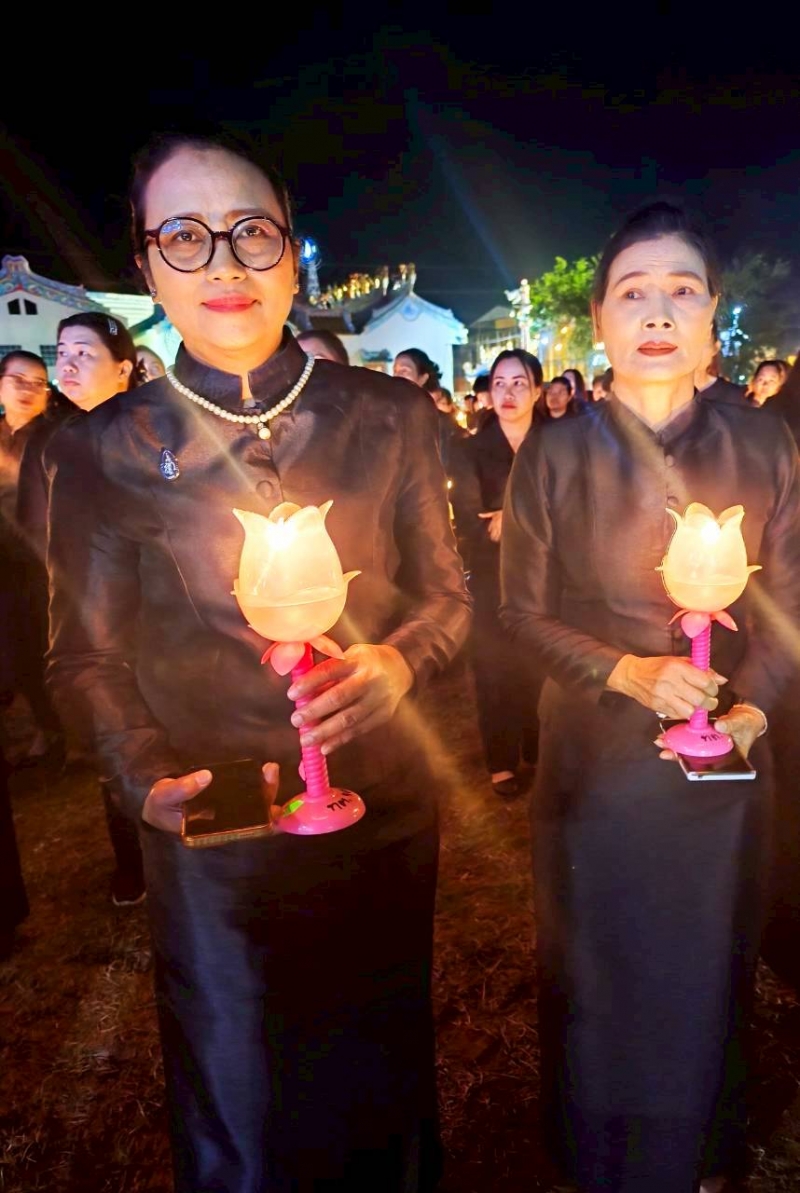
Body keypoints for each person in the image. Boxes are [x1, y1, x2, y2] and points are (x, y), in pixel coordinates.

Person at [45, 129, 470, 1193]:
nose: (224, 263)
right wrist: (145, 775)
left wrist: (397, 665)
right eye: (184, 237)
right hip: (219, 823)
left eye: (250, 232)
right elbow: (83, 655)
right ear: (146, 266)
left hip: (379, 807)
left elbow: (449, 599)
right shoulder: (101, 447)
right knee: (246, 1099)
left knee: (380, 1071)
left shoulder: (389, 415)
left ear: (291, 250)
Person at [501, 199, 800, 1193]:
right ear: (599, 319)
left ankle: (702, 1150)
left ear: (713, 312)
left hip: (726, 761)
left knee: (706, 960)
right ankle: (594, 1150)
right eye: (633, 292)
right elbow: (520, 613)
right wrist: (623, 670)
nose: (658, 311)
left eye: (681, 289)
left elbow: (789, 605)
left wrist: (751, 709)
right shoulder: (554, 452)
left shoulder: (766, 444)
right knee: (596, 962)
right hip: (594, 754)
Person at [18, 314, 144, 907]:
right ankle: (133, 861)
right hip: (91, 614)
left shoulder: (152, 426)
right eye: (62, 352)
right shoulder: (50, 441)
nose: (67, 363)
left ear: (124, 368)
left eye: (84, 352)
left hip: (156, 607)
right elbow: (35, 535)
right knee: (112, 730)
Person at [450, 349, 542, 798]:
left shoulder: (556, 444)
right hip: (492, 575)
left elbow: (573, 510)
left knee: (540, 661)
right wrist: (529, 519)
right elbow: (472, 521)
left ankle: (538, 746)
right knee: (493, 665)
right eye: (500, 383)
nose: (508, 392)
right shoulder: (470, 450)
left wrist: (511, 517)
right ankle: (501, 759)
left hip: (547, 576)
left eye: (519, 382)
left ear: (537, 390)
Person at [0, 351, 63, 764]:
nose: (27, 389)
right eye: (17, 380)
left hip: (44, 567)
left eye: (37, 382)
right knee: (17, 650)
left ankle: (62, 732)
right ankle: (44, 726)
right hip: (4, 568)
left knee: (47, 651)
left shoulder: (55, 440)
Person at [393, 347, 467, 473]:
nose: (397, 376)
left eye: (404, 371)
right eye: (395, 371)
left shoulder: (441, 423)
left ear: (423, 378)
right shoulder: (388, 419)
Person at [694, 320, 746, 404]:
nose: (696, 351)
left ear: (716, 347)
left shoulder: (733, 397)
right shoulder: (670, 393)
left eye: (703, 342)